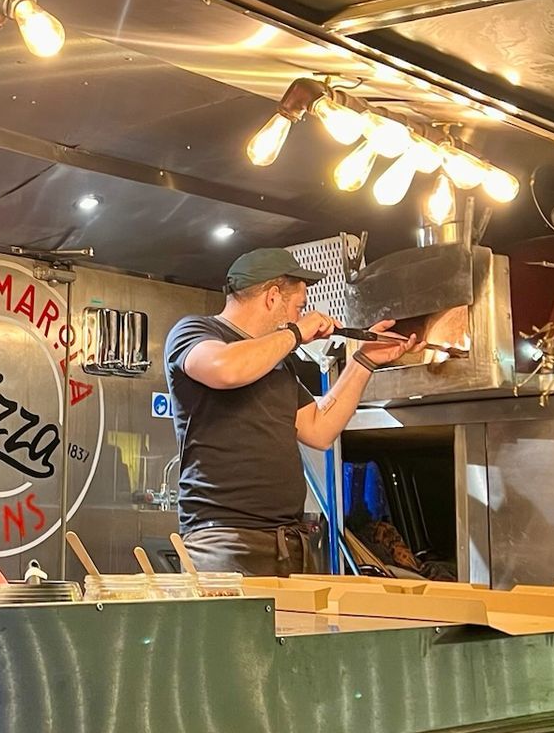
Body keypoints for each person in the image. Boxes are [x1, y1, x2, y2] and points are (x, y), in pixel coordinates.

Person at [163, 247, 415, 576]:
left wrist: (363, 361)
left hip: (287, 542)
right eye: (298, 307)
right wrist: (296, 333)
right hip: (224, 541)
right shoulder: (196, 332)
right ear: (271, 297)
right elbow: (225, 369)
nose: (300, 316)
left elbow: (319, 429)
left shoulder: (278, 362)